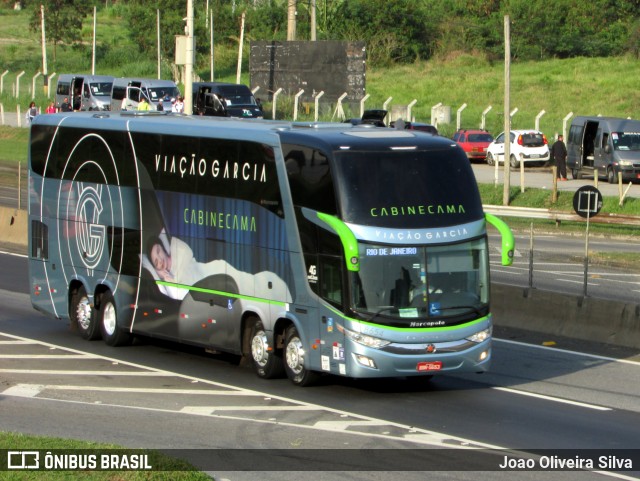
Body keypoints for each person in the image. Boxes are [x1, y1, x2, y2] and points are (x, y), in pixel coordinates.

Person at [145, 231, 290, 302]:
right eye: (156, 262)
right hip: (208, 283)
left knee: (246, 283)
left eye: (158, 251)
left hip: (210, 270)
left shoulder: (179, 249)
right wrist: (166, 277)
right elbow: (181, 294)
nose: (160, 260)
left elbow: (189, 265)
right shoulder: (169, 278)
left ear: (162, 247)